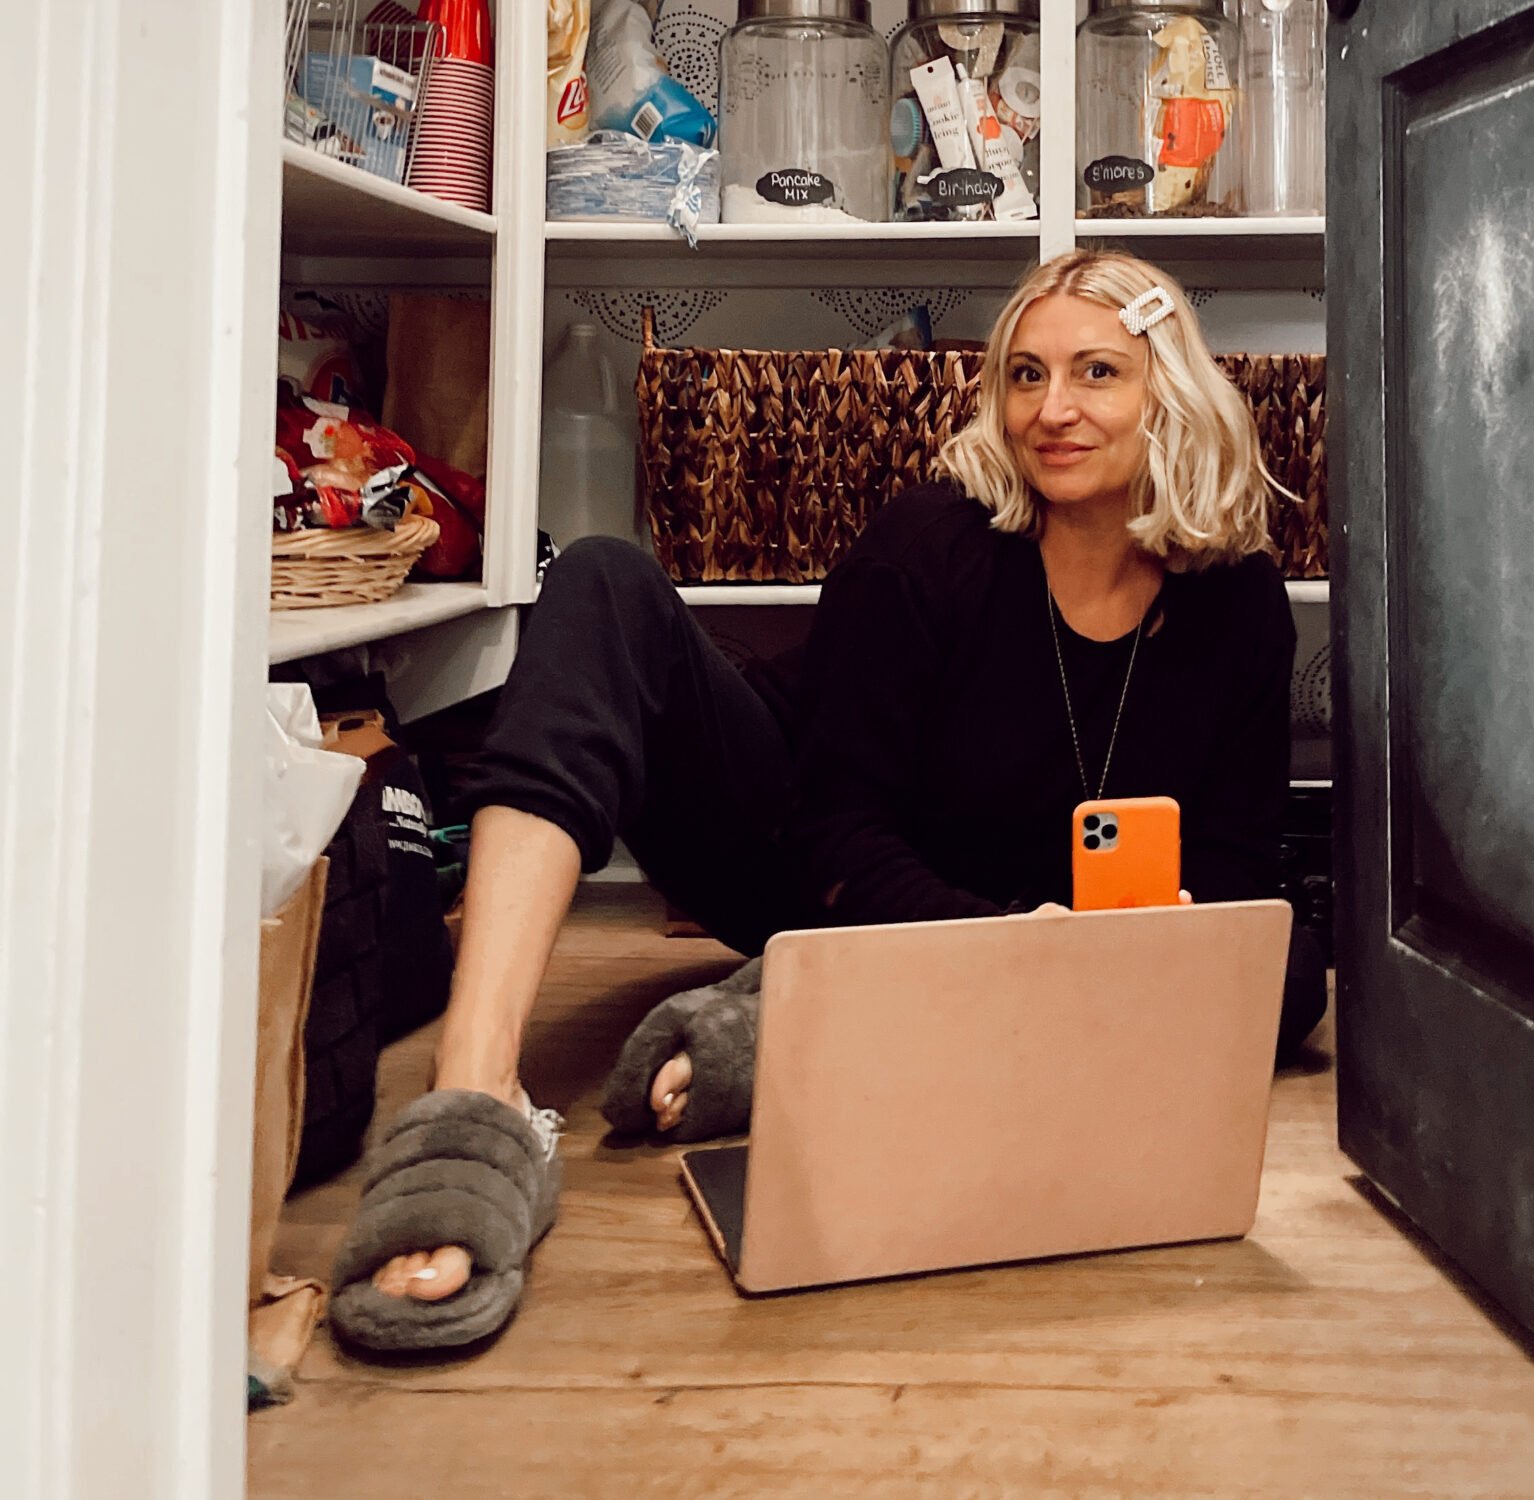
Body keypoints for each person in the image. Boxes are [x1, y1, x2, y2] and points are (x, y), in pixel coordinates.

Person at [326, 249, 1329, 1353]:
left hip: (1030, 948)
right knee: (603, 577)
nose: (1053, 410)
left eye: (1097, 373)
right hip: (805, 861)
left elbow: (1243, 894)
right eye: (1025, 376)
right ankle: (473, 1092)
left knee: (1285, 986)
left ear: (1167, 393)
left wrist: (1137, 959)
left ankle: (782, 1022)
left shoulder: (1235, 607)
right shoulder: (930, 548)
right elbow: (834, 833)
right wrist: (1010, 949)